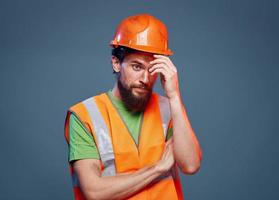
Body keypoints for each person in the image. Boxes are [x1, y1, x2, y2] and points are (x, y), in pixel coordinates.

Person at [64, 13, 202, 200]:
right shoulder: (85, 116)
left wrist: (174, 95)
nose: (145, 79)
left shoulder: (169, 108)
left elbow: (190, 165)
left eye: (152, 69)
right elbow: (94, 192)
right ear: (116, 63)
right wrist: (158, 168)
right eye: (137, 67)